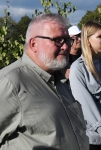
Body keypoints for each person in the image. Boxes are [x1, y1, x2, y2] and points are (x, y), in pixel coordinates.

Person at [0, 13, 89, 150]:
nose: (66, 47)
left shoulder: (59, 80)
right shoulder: (10, 82)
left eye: (67, 40)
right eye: (58, 40)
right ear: (34, 44)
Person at [69, 20, 101, 150]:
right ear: (87, 40)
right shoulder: (78, 69)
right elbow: (85, 104)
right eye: (99, 36)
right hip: (92, 139)